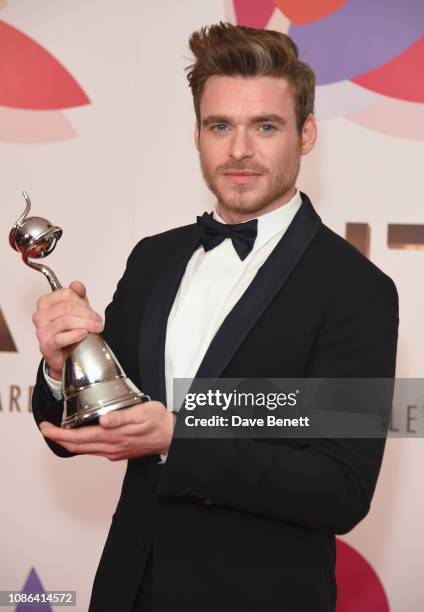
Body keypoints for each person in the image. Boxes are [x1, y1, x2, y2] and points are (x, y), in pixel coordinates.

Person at [31, 22, 399, 612]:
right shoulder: (154, 258)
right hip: (129, 592)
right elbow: (77, 431)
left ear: (305, 135)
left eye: (266, 126)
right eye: (220, 125)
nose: (239, 151)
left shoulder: (354, 290)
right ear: (197, 132)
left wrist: (179, 437)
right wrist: (58, 367)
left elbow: (341, 490)